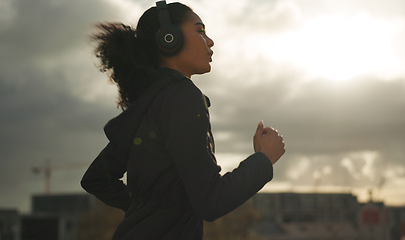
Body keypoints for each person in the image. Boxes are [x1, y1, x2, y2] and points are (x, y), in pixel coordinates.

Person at [81, 1, 285, 239]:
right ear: (169, 38)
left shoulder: (150, 102)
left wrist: (147, 211)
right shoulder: (182, 96)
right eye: (200, 31)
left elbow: (97, 178)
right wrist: (263, 159)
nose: (210, 41)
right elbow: (211, 201)